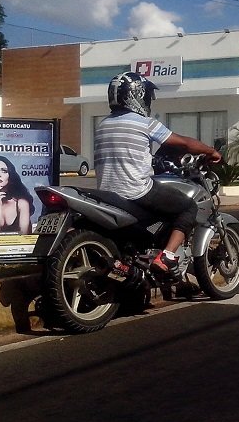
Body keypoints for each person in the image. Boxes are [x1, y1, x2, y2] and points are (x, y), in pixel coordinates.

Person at [94, 71, 221, 279]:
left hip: (108, 194)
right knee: (187, 206)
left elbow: (125, 155)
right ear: (136, 95)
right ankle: (167, 256)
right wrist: (211, 151)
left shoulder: (103, 125)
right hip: (136, 191)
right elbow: (184, 143)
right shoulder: (143, 123)